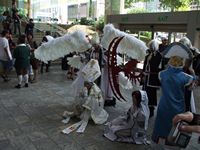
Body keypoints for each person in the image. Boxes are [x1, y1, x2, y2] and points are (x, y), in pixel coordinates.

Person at [152, 56, 195, 144]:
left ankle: (160, 140)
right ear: (181, 63)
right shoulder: (187, 77)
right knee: (174, 128)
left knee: (161, 126)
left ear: (170, 62)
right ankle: (172, 141)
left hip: (164, 105)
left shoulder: (161, 74)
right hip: (178, 107)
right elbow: (192, 85)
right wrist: (192, 72)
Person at [142, 40, 162, 117]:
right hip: (147, 78)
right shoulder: (148, 55)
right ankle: (145, 109)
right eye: (150, 47)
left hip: (153, 78)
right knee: (145, 93)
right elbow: (145, 66)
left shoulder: (159, 56)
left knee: (151, 94)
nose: (150, 48)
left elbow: (159, 68)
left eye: (151, 47)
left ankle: (151, 111)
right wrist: (143, 74)